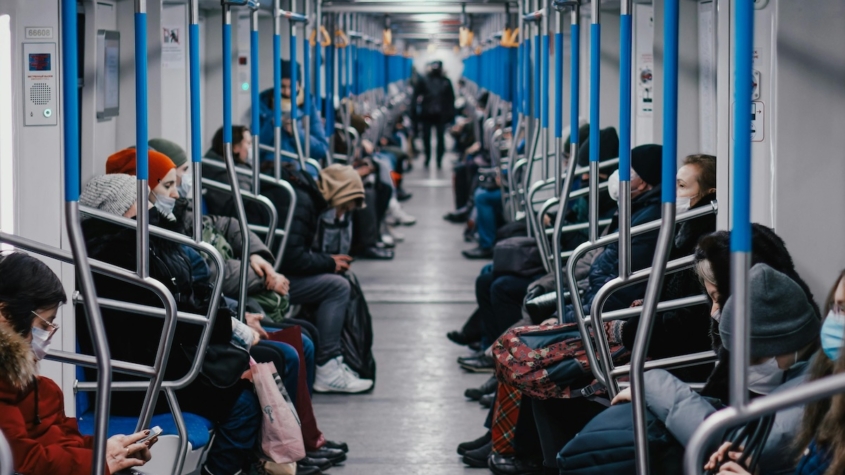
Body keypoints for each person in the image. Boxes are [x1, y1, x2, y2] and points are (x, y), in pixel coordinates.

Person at [611, 263, 821, 475]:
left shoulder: (810, 394)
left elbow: (734, 440)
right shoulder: (804, 374)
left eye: (749, 357)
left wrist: (652, 385)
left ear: (781, 344)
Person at [0, 251, 156, 475]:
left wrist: (106, 449)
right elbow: (24, 460)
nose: (49, 334)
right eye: (45, 324)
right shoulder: (8, 388)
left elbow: (66, 443)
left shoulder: (44, 391)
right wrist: (100, 463)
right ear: (5, 314)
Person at [705, 270, 845, 475]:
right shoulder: (829, 393)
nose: (835, 320)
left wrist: (653, 380)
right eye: (836, 307)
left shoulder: (810, 394)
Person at [282, 163, 374, 393]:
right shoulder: (304, 205)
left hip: (280, 272)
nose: (340, 214)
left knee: (338, 281)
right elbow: (291, 257)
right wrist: (328, 262)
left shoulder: (307, 199)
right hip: (277, 278)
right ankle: (327, 365)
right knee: (338, 287)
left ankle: (332, 361)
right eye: (343, 207)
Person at [258, 60, 329, 173]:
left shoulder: (308, 106)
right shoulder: (263, 105)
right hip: (270, 167)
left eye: (291, 87)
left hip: (301, 168)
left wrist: (296, 132)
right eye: (282, 86)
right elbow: (255, 150)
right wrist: (271, 124)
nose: (286, 92)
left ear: (299, 85)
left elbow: (321, 149)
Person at [412, 60, 456, 169]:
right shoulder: (445, 81)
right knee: (432, 138)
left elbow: (451, 99)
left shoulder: (425, 80)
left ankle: (434, 159)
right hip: (435, 114)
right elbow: (451, 100)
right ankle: (433, 159)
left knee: (434, 138)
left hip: (431, 114)